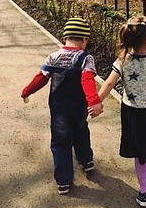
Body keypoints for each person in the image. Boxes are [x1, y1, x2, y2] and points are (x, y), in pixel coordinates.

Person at [92, 15, 146, 208]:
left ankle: (144, 176)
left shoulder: (123, 60)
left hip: (131, 112)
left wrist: (96, 102)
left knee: (141, 149)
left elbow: (109, 83)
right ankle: (145, 191)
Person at [21, 17, 103, 195]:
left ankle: (63, 181)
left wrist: (26, 91)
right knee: (81, 129)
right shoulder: (86, 58)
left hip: (59, 108)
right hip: (79, 107)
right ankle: (86, 161)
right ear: (84, 40)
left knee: (60, 141)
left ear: (65, 38)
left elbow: (41, 78)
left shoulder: (53, 57)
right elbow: (87, 80)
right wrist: (94, 101)